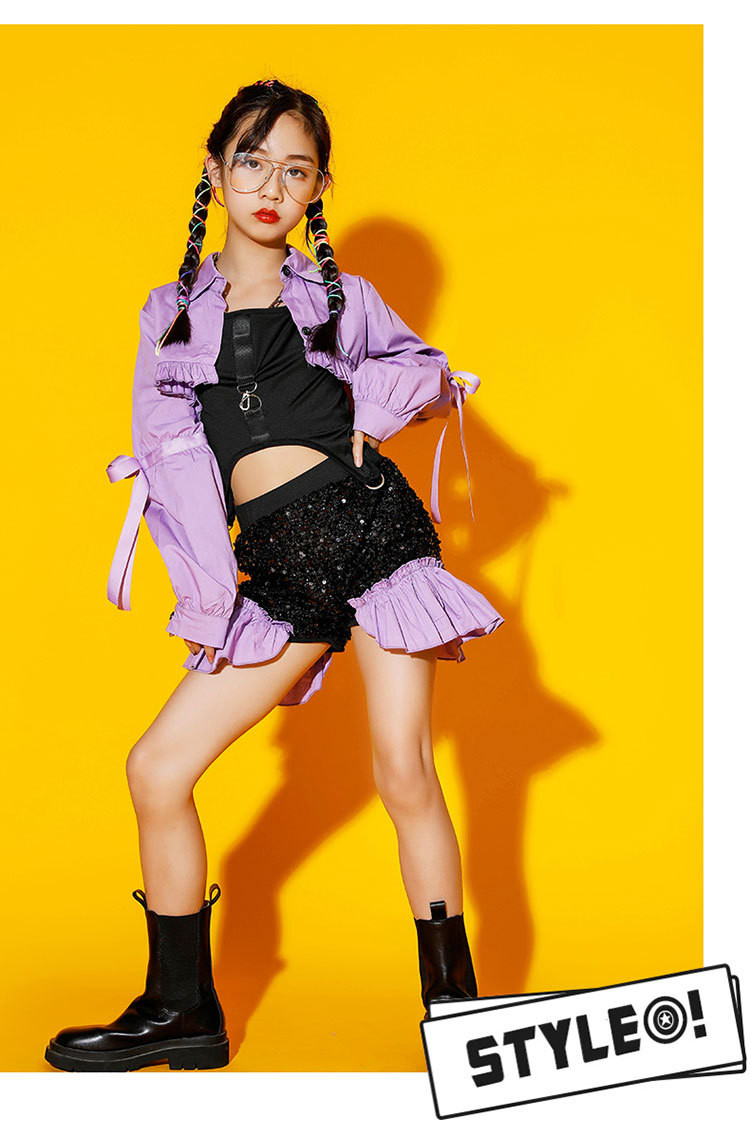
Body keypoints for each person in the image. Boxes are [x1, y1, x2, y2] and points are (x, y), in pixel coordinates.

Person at [45, 78, 504, 1073]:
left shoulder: (342, 298)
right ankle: (181, 1008)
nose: (270, 186)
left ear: (318, 188)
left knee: (403, 768)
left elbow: (426, 369)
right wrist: (211, 596)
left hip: (373, 531)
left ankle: (461, 1017)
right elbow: (166, 457)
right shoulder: (169, 316)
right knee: (157, 768)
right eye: (251, 162)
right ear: (215, 172)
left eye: (296, 170)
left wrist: (377, 396)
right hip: (280, 564)